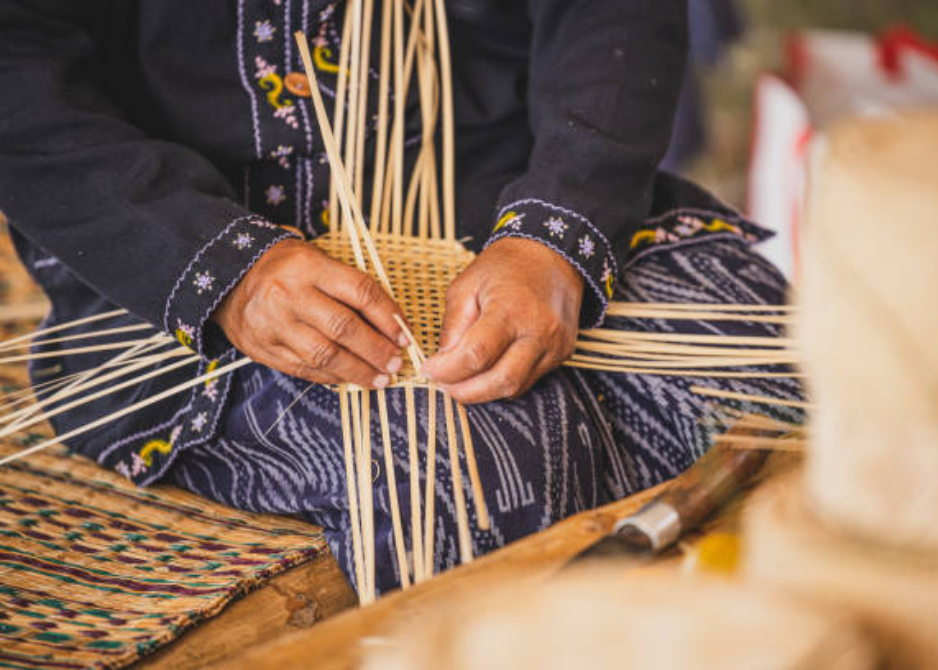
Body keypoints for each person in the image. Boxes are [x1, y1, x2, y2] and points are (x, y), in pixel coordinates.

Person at [0, 0, 800, 594]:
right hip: (189, 252)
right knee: (479, 477)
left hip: (512, 195)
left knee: (803, 374)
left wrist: (556, 232)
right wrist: (225, 268)